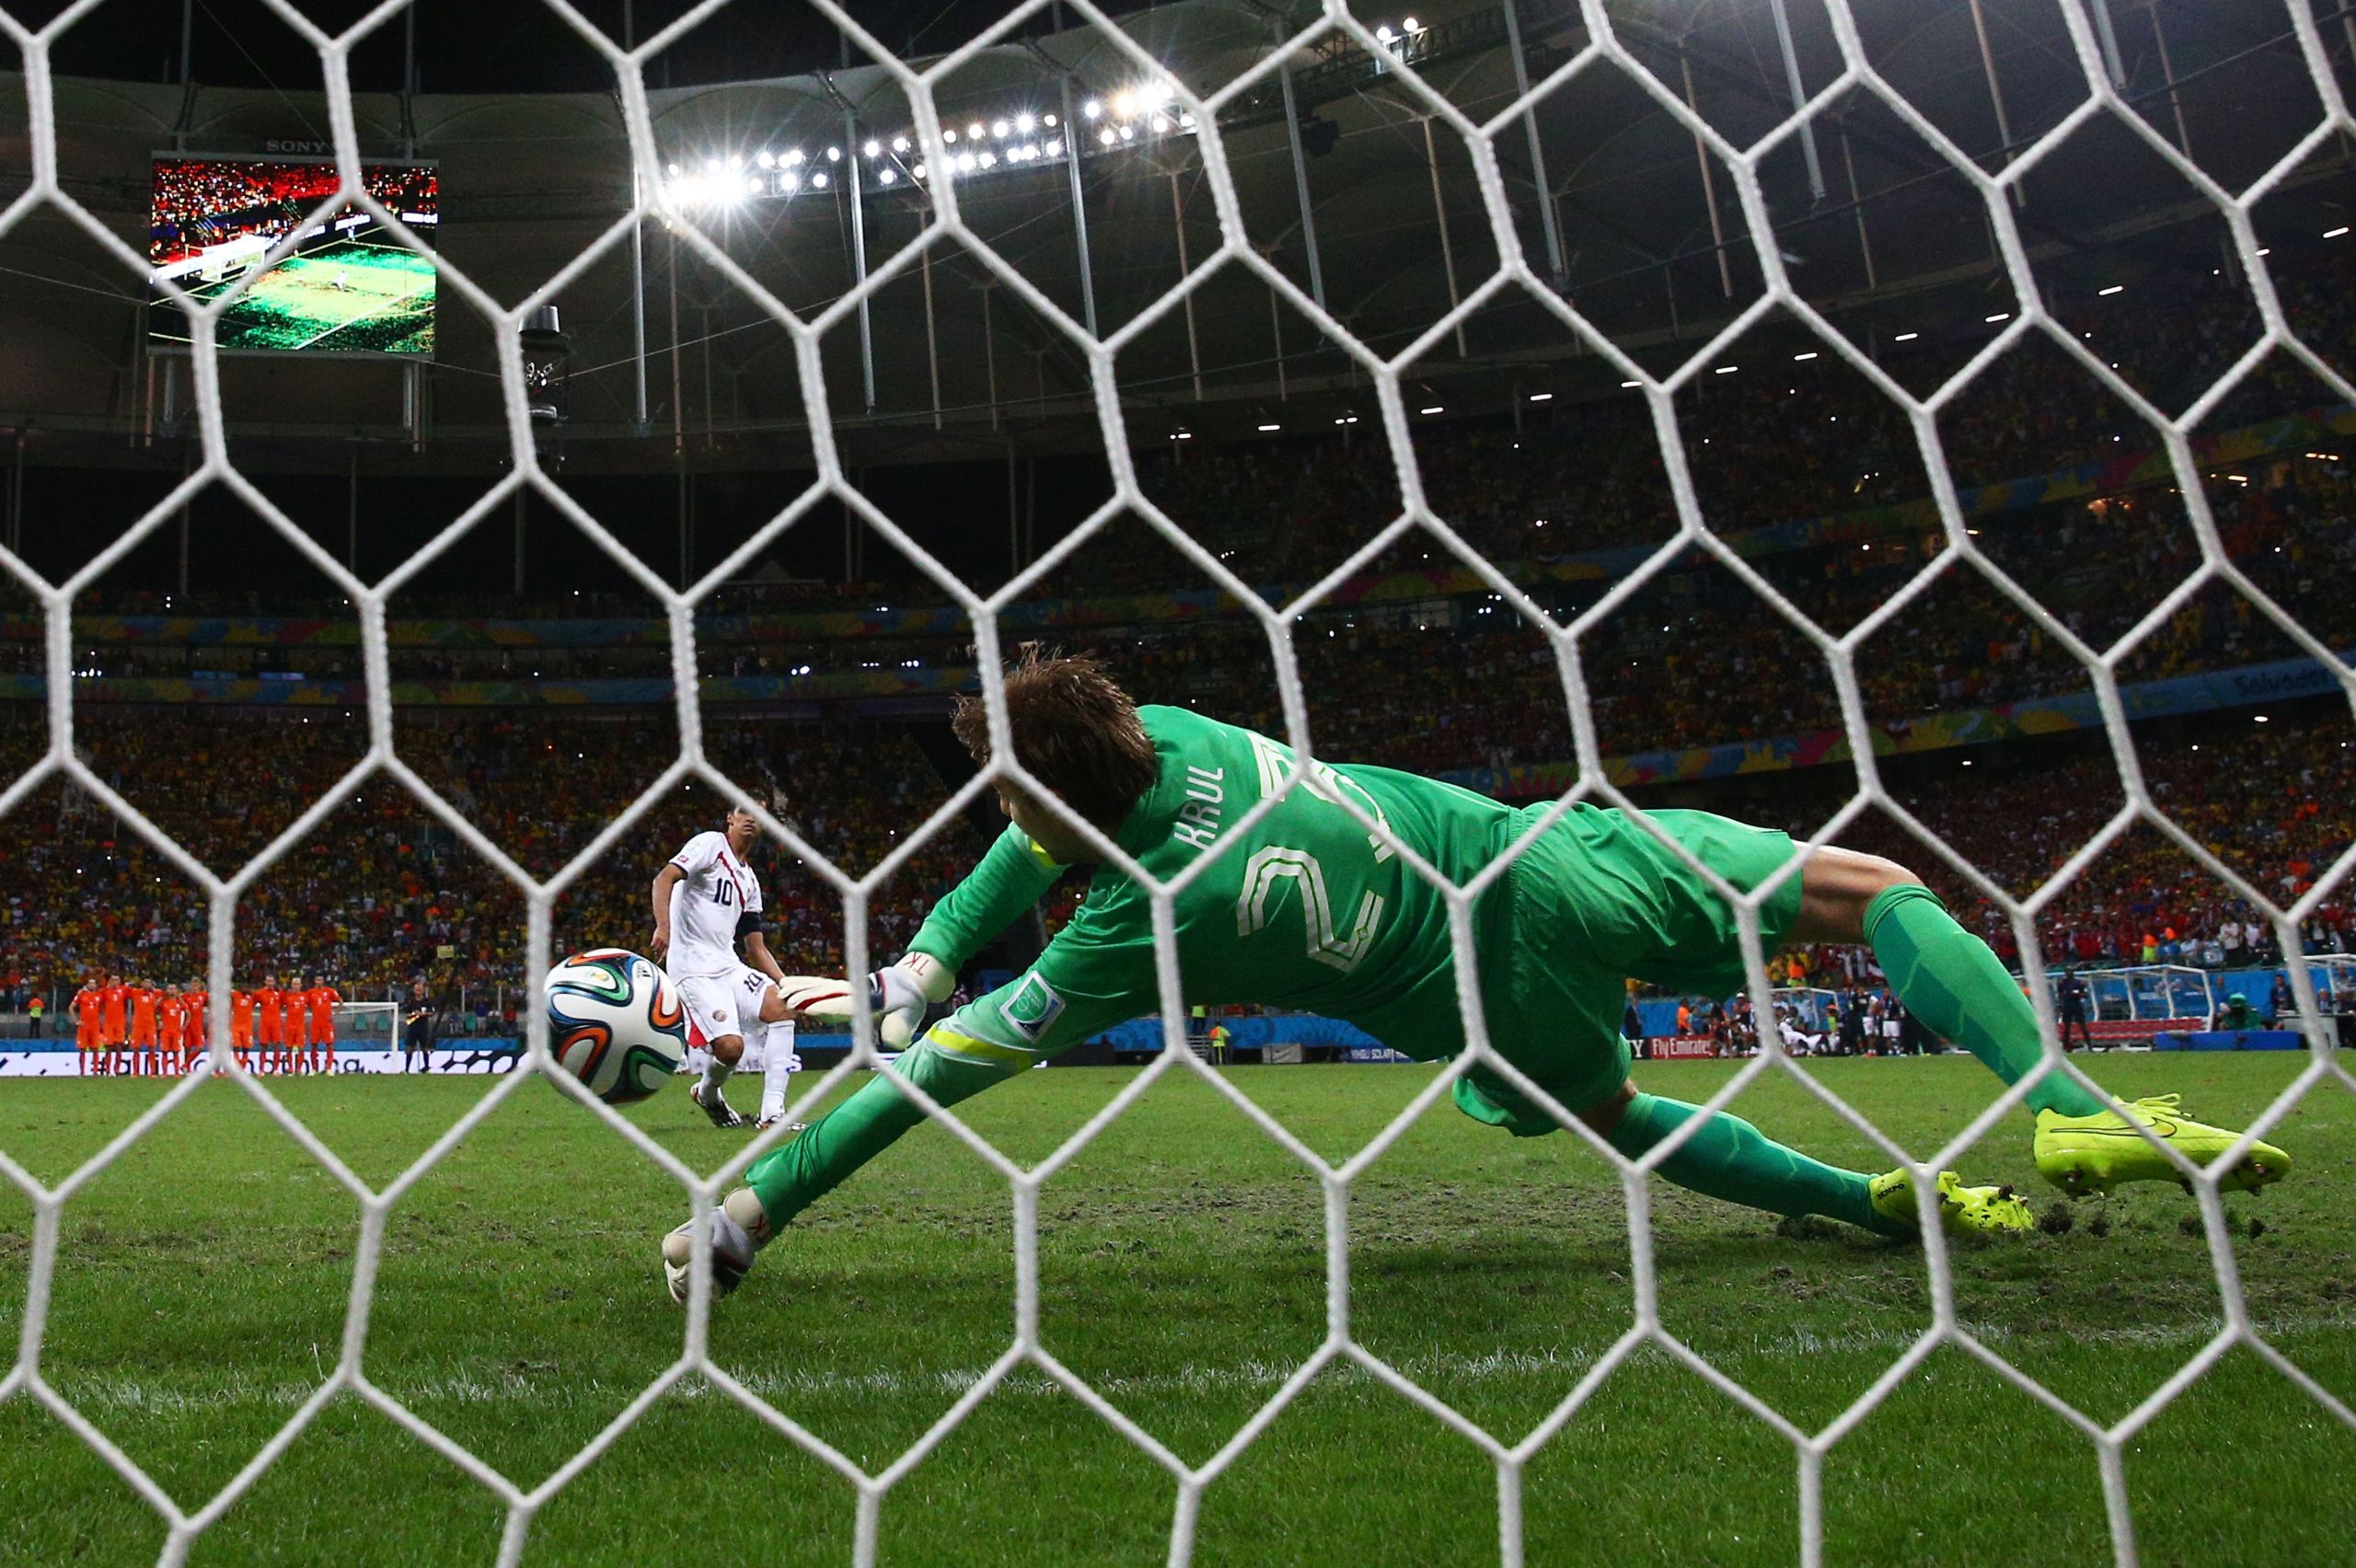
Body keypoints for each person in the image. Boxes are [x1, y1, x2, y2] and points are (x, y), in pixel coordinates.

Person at [665, 651, 2294, 1302]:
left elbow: (941, 1070)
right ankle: (2062, 1102)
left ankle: (1871, 1199)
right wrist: (933, 948)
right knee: (1870, 893)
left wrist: (754, 1207)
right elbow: (1048, 827)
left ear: (1048, 803)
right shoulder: (1180, 738)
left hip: (1498, 1006)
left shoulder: (1129, 925)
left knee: (1618, 1114)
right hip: (1545, 853)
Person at [648, 804, 796, 1130]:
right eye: (744, 811)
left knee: (784, 1007)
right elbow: (664, 879)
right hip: (693, 968)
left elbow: (755, 948)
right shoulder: (710, 845)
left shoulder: (750, 881)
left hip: (728, 965)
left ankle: (772, 1114)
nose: (751, 818)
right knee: (730, 1050)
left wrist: (789, 985)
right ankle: (707, 1093)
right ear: (730, 817)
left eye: (759, 814)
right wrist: (664, 927)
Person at [401, 977, 438, 1073]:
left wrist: (423, 1014)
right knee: (409, 1048)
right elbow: (406, 1014)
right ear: (414, 990)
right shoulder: (410, 1001)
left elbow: (432, 1012)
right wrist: (414, 1014)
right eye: (417, 990)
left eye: (420, 990)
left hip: (423, 1027)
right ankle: (407, 1070)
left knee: (425, 1048)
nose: (418, 992)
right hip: (413, 1027)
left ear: (423, 991)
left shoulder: (427, 1001)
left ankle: (426, 1068)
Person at [306, 977, 340, 1074]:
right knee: (314, 1045)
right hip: (316, 1023)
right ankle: (314, 1069)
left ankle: (328, 1068)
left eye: (320, 980)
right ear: (315, 981)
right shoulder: (310, 992)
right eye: (317, 980)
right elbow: (306, 1004)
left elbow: (340, 1001)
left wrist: (335, 1013)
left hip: (327, 1023)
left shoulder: (329, 991)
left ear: (323, 981)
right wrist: (313, 1011)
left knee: (329, 1045)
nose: (319, 982)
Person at [2057, 969, 2096, 1052]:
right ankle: (2066, 1047)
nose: (2069, 973)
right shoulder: (2062, 983)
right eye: (2067, 971)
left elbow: (2085, 995)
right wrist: (2060, 1005)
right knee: (2066, 1027)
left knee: (2083, 1025)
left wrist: (2078, 994)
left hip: (2076, 1005)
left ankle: (2090, 1046)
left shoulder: (2079, 983)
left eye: (2070, 971)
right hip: (2067, 1005)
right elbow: (2060, 995)